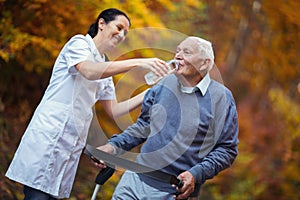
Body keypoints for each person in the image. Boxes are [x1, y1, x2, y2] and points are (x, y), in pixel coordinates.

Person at [5, 8, 170, 200]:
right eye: (119, 27)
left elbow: (115, 110)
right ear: (101, 23)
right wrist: (138, 62)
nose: (122, 34)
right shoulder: (79, 44)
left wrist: (151, 91)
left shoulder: (104, 62)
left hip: (71, 144)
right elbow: (89, 71)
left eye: (125, 32)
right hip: (49, 136)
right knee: (37, 195)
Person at [97, 36, 239, 199]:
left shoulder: (221, 97)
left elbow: (227, 149)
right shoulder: (163, 84)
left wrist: (196, 174)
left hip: (172, 191)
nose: (178, 55)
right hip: (134, 180)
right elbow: (144, 126)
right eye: (177, 50)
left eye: (186, 52)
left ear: (205, 63)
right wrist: (113, 146)